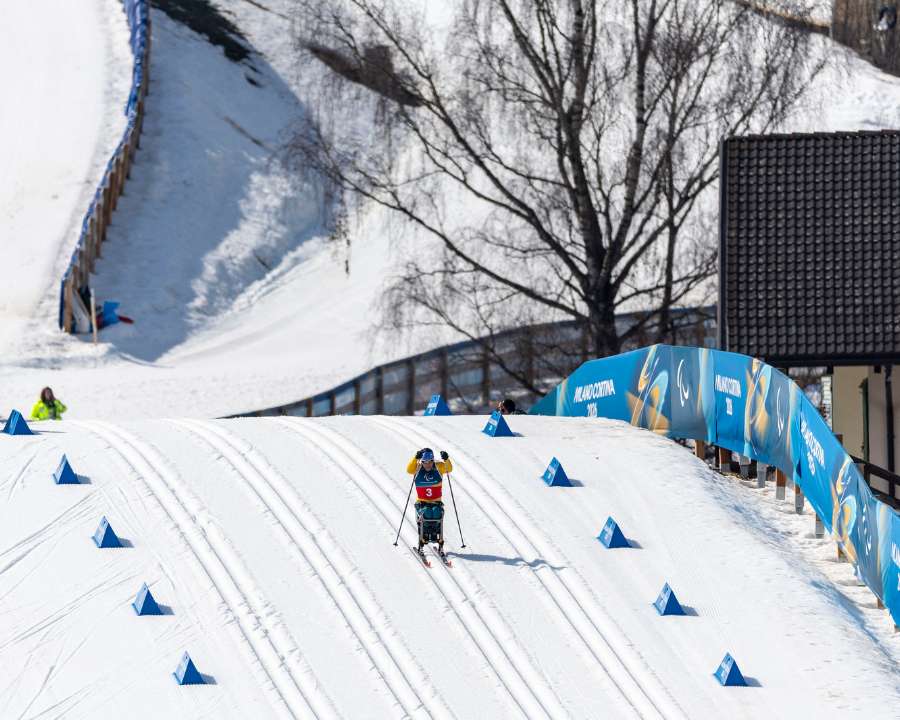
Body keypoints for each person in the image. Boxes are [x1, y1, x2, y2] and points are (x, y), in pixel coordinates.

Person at [406, 447, 452, 555]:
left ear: (433, 460)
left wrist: (446, 459)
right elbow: (409, 470)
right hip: (422, 502)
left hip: (436, 502)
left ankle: (437, 539)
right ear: (422, 461)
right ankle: (424, 538)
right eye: (425, 462)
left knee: (436, 512)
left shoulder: (439, 467)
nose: (427, 465)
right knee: (426, 514)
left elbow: (449, 469)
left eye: (430, 462)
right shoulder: (417, 467)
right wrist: (415, 458)